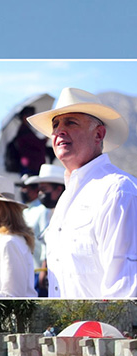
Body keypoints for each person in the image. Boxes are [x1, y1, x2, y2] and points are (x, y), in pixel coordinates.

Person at [26, 87, 137, 298]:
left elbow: (125, 289)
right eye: (55, 125)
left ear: (98, 134)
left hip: (101, 329)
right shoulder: (68, 197)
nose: (59, 131)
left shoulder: (118, 192)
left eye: (71, 122)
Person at [22, 164, 66, 297]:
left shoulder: (57, 213)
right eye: (39, 190)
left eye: (44, 189)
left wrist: (44, 269)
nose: (40, 194)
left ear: (58, 189)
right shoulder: (54, 213)